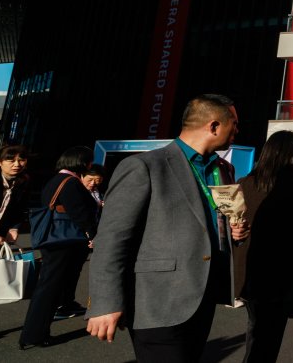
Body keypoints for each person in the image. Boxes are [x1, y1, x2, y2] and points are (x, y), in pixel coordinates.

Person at [87, 94, 249, 362]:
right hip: (158, 300)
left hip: (204, 297)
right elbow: (112, 239)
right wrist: (105, 303)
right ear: (214, 126)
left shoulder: (224, 169)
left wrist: (236, 233)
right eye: (234, 122)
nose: (238, 130)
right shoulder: (144, 166)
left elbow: (231, 218)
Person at [233, 131, 293, 362]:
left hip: (247, 269)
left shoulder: (245, 182)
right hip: (282, 271)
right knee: (270, 334)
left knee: (256, 327)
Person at [19, 146, 99, 348]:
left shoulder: (56, 180)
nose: (90, 165)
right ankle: (35, 335)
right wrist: (93, 234)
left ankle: (33, 333)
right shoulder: (71, 182)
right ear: (80, 162)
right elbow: (79, 213)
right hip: (63, 242)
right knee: (49, 289)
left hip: (54, 241)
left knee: (47, 288)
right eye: (88, 161)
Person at [0, 145, 30, 249]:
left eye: (21, 160)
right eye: (11, 160)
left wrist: (14, 228)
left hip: (1, 232)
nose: (17, 164)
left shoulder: (24, 181)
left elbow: (21, 209)